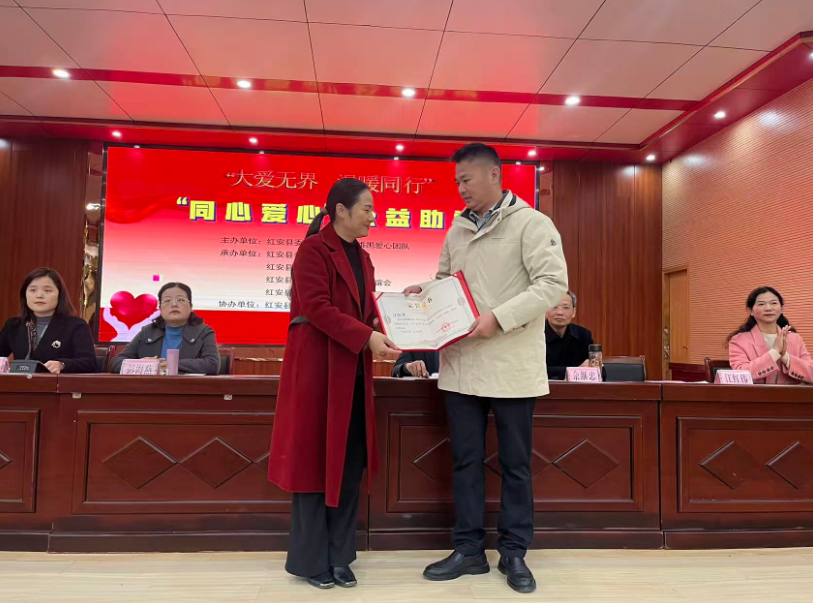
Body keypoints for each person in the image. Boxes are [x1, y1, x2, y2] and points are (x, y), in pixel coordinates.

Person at [404, 143, 568, 594]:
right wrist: (425, 292)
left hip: (511, 363)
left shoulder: (532, 224)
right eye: (457, 181)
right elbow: (447, 282)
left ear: (494, 175)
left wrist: (499, 317)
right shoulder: (456, 229)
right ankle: (469, 550)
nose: (461, 189)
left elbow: (552, 284)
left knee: (515, 464)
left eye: (466, 179)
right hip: (461, 365)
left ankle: (514, 552)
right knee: (465, 461)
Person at [267, 179, 399, 590]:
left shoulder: (364, 257)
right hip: (318, 372)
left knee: (349, 463)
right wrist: (367, 336)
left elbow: (366, 312)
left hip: (354, 372)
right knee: (314, 465)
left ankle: (341, 556)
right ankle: (311, 561)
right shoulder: (313, 249)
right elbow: (317, 308)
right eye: (367, 209)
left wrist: (395, 316)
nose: (373, 216)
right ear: (341, 210)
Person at [0, 267, 96, 373]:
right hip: (20, 382)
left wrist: (62, 365)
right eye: (33, 290)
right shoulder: (13, 325)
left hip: (58, 382)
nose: (39, 295)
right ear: (25, 294)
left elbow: (90, 362)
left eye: (47, 290)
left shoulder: (76, 326)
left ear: (60, 295)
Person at [110, 282, 220, 375]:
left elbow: (212, 364)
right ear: (160, 308)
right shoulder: (147, 332)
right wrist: (145, 366)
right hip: (149, 389)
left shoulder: (203, 332)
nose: (174, 304)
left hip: (187, 389)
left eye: (181, 300)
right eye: (167, 300)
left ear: (191, 306)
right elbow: (116, 363)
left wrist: (168, 364)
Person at [728, 286, 813, 384]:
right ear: (751, 311)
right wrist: (774, 353)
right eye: (761, 304)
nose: (768, 308)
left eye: (774, 303)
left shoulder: (795, 339)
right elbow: (740, 376)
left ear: (781, 309)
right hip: (755, 394)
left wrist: (786, 357)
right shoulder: (739, 340)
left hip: (791, 394)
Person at [545, 291, 594, 380]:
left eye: (566, 307)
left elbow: (600, 372)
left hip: (577, 388)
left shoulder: (583, 335)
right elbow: (534, 372)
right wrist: (576, 371)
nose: (560, 312)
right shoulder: (535, 336)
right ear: (545, 311)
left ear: (574, 312)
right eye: (554, 307)